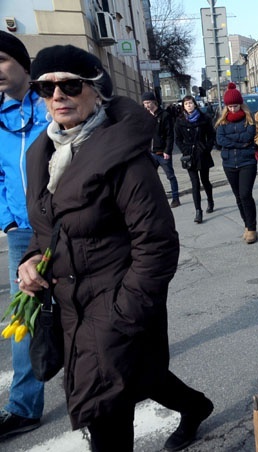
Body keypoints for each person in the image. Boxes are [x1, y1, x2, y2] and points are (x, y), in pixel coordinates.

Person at [16, 44, 213, 452]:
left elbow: (156, 243)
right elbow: (45, 228)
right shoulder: (43, 153)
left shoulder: (123, 156)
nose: (58, 97)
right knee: (141, 376)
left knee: (105, 404)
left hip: (114, 303)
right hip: (71, 303)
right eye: (45, 88)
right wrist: (30, 260)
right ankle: (195, 407)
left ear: (96, 91)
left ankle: (190, 407)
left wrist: (123, 314)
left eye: (71, 85)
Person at [0, 30, 49, 441]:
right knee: (24, 321)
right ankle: (23, 407)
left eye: (0, 59)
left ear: (22, 64)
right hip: (21, 234)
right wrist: (9, 222)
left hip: (62, 228)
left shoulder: (52, 106)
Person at [215, 83, 258, 244]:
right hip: (229, 164)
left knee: (246, 194)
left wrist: (233, 142)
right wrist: (240, 143)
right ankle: (246, 225)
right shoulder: (222, 122)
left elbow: (249, 137)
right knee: (238, 197)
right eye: (230, 106)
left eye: (235, 106)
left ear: (240, 104)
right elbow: (220, 140)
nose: (232, 109)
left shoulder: (249, 119)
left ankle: (252, 228)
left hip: (247, 162)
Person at [175, 95, 216, 224]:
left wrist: (207, 148)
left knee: (205, 180)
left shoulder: (204, 118)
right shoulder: (180, 121)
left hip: (202, 153)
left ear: (195, 104)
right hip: (190, 156)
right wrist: (185, 150)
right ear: (183, 106)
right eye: (186, 104)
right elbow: (178, 139)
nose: (189, 106)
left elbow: (211, 135)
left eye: (190, 103)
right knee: (195, 183)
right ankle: (198, 211)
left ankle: (210, 201)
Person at [142, 91, 180, 208]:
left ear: (154, 102)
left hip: (162, 153)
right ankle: (155, 200)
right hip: (150, 153)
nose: (147, 105)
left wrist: (167, 151)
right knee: (150, 177)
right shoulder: (146, 116)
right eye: (144, 103)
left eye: (148, 102)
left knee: (170, 176)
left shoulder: (164, 115)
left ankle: (175, 198)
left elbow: (170, 135)